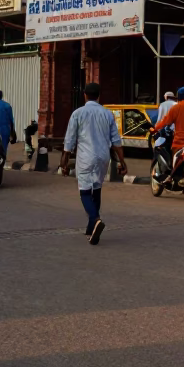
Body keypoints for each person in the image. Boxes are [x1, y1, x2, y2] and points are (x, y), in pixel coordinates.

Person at [61, 82, 126, 245]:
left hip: (85, 157)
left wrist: (64, 161)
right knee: (96, 189)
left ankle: (95, 219)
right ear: (99, 96)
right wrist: (122, 161)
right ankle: (91, 227)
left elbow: (69, 140)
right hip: (103, 157)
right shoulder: (107, 114)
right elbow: (116, 141)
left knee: (84, 192)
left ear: (84, 95)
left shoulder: (78, 113)